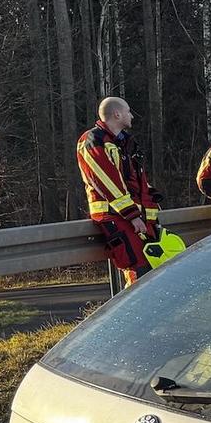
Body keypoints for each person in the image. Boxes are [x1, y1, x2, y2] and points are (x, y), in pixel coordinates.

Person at [76, 96, 160, 286]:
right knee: (137, 268)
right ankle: (135, 313)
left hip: (133, 215)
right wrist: (132, 214)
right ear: (117, 114)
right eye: (128, 111)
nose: (132, 115)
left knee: (152, 267)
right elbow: (106, 180)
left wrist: (149, 207)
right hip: (114, 214)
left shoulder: (125, 142)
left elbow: (137, 179)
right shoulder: (93, 140)